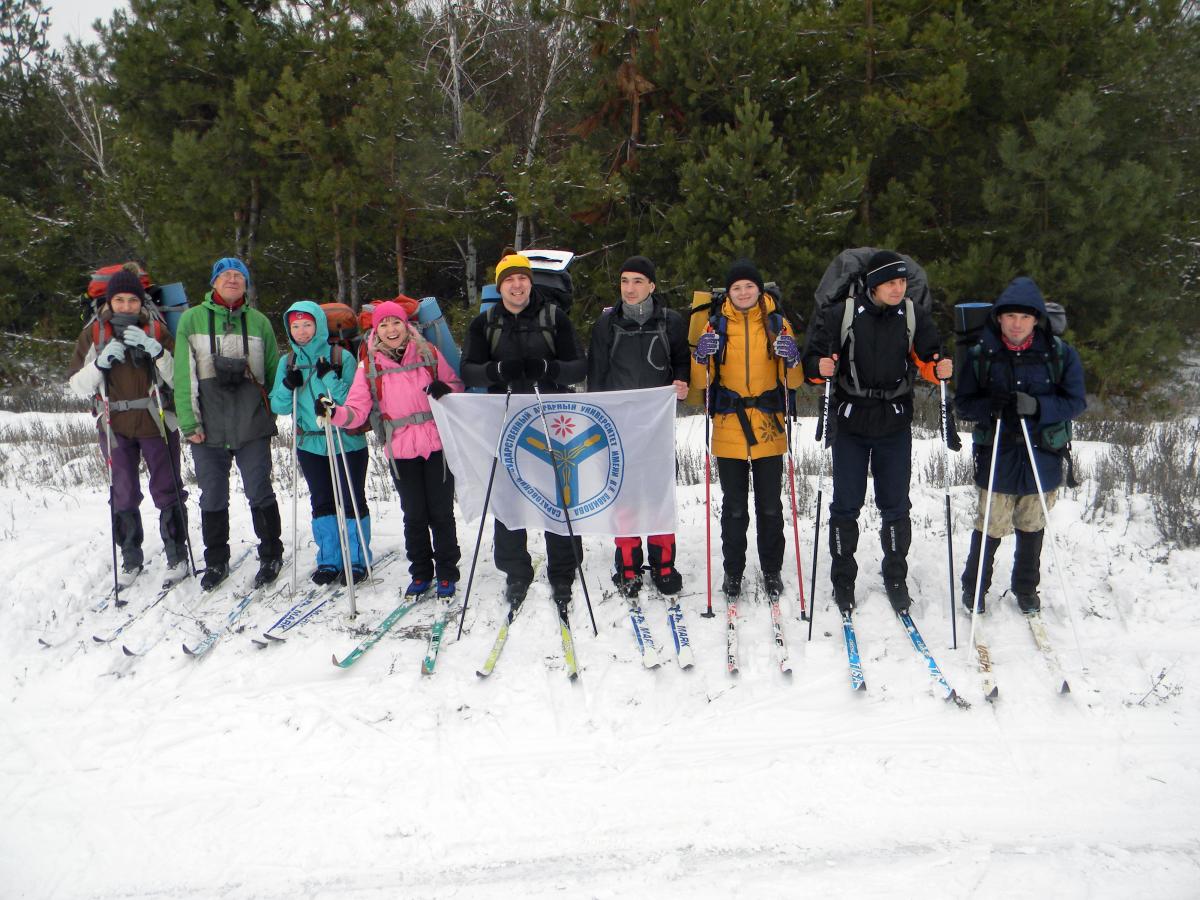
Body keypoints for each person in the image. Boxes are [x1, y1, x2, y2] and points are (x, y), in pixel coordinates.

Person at [801, 250, 952, 615]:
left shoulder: (912, 316)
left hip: (894, 423)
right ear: (873, 285)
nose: (898, 289)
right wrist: (817, 367)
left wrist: (939, 369)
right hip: (850, 422)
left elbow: (929, 359)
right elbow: (813, 364)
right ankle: (843, 577)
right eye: (889, 283)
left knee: (896, 505)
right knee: (846, 505)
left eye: (901, 282)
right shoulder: (844, 315)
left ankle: (896, 576)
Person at [461, 250, 588, 608]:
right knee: (508, 493)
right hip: (505, 421)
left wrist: (548, 368)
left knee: (557, 493)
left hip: (553, 418)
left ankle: (563, 568)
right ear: (500, 286)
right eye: (509, 280)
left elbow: (579, 366)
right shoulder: (485, 324)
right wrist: (495, 372)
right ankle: (516, 569)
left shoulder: (554, 317)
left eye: (522, 278)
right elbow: (467, 369)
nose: (517, 286)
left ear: (530, 282)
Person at [954, 276, 1086, 613]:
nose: (1017, 324)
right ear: (998, 317)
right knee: (990, 525)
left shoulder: (1059, 355)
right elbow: (964, 404)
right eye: (1010, 316)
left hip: (1042, 454)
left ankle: (1026, 588)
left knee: (1032, 525)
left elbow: (1076, 402)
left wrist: (1039, 407)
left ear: (1036, 320)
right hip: (998, 452)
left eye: (1025, 317)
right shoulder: (981, 354)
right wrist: (990, 407)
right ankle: (974, 588)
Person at [323, 300, 464, 596]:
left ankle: (448, 572)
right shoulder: (369, 366)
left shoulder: (428, 353)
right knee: (414, 514)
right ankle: (421, 572)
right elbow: (357, 410)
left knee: (440, 512)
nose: (390, 329)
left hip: (436, 443)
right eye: (383, 324)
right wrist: (334, 413)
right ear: (376, 329)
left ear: (406, 325)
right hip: (400, 450)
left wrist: (446, 390)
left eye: (396, 322)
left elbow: (456, 386)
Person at [690, 258, 805, 599]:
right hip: (728, 426)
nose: (743, 292)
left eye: (749, 286)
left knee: (770, 506)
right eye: (737, 287)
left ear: (759, 290)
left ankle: (772, 570)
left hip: (769, 425)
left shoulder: (777, 324)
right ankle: (733, 571)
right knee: (734, 507)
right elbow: (703, 385)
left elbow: (793, 381)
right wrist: (701, 358)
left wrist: (794, 357)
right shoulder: (713, 325)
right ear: (729, 292)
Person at [67, 265, 188, 580]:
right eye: (119, 300)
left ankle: (177, 555)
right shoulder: (95, 334)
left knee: (168, 488)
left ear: (141, 301)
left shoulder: (155, 330)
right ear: (109, 301)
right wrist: (101, 362)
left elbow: (179, 379)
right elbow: (77, 385)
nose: (126, 306)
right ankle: (130, 557)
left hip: (157, 421)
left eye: (132, 300)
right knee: (123, 491)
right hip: (114, 424)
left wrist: (157, 350)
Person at [174, 257, 282, 591]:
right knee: (213, 494)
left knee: (259, 489)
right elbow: (183, 376)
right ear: (213, 282)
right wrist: (189, 422)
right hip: (208, 426)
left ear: (246, 284)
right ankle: (217, 560)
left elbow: (275, 373)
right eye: (225, 275)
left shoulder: (260, 322)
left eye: (239, 276)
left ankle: (271, 553)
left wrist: (270, 413)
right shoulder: (191, 320)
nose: (232, 280)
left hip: (252, 424)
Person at [587, 255, 691, 597]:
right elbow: (597, 374)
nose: (629, 289)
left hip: (657, 424)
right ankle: (628, 564)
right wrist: (597, 419)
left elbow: (681, 362)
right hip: (618, 424)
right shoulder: (606, 324)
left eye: (637, 281)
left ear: (652, 286)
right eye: (624, 281)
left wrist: (681, 381)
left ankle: (663, 564)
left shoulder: (672, 321)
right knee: (626, 494)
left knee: (657, 492)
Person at [269, 301, 370, 585]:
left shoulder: (342, 358)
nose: (301, 332)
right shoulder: (286, 362)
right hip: (310, 445)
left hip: (345, 442)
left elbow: (353, 401)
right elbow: (278, 405)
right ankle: (328, 559)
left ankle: (358, 559)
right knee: (322, 501)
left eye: (307, 325)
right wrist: (289, 385)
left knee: (352, 499)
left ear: (319, 326)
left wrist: (329, 378)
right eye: (295, 326)